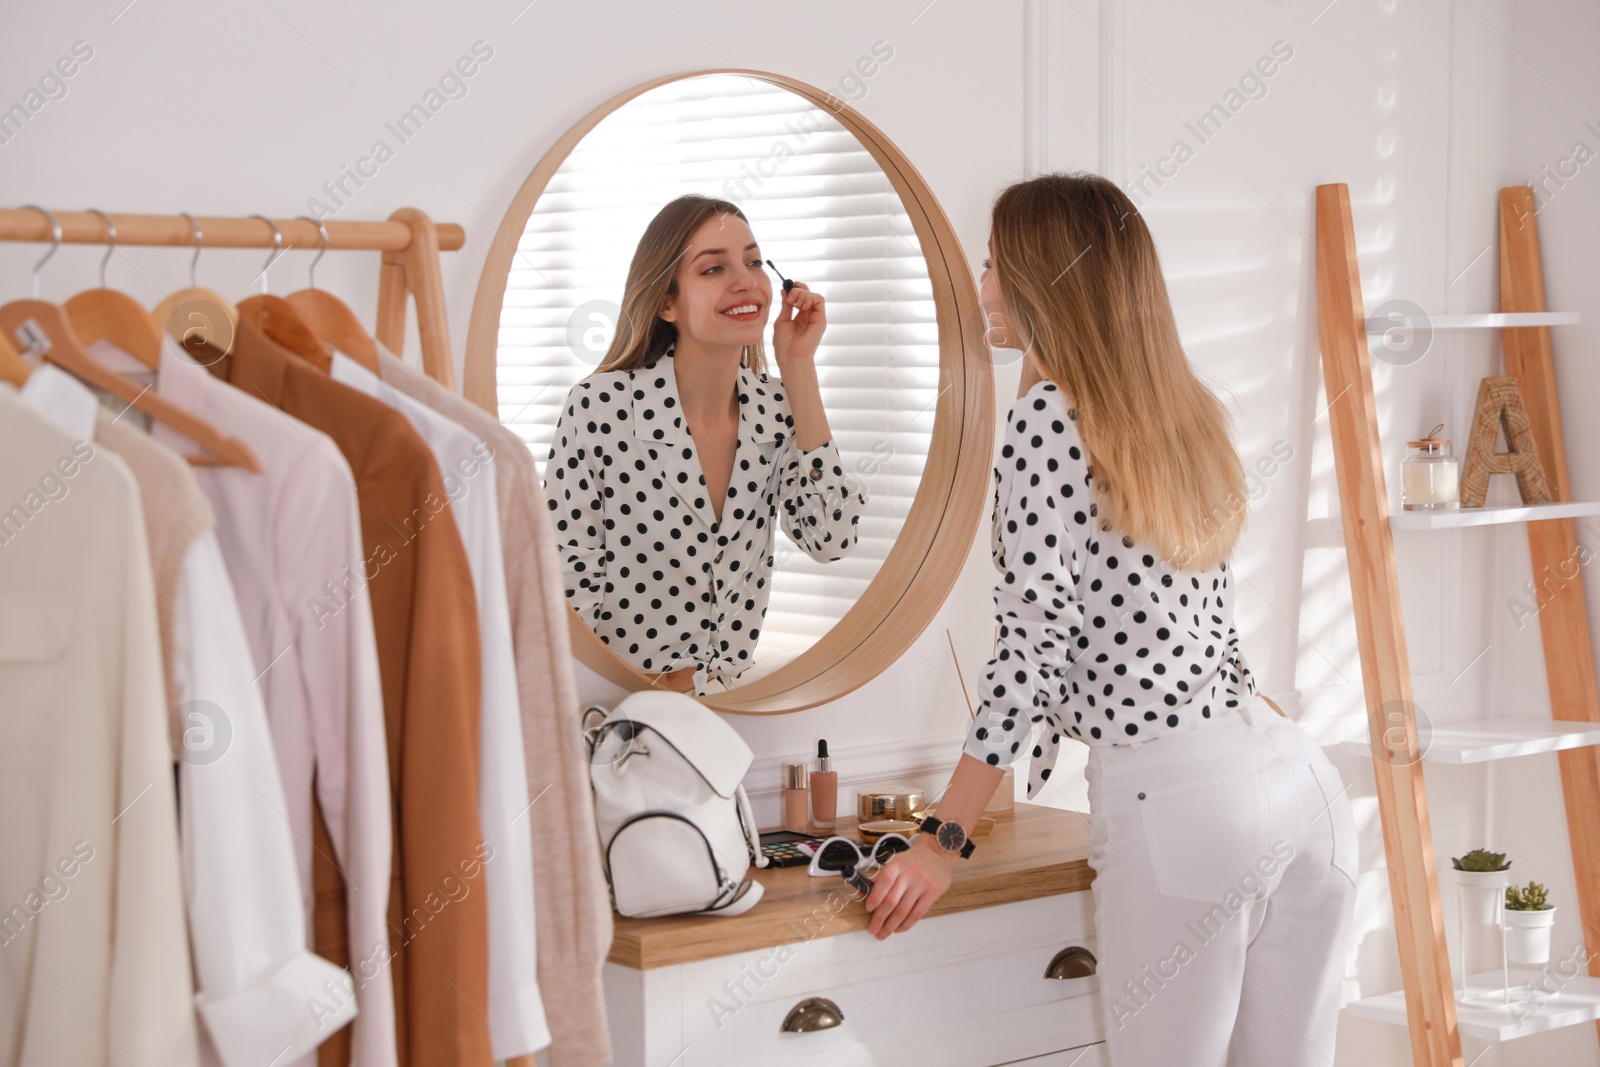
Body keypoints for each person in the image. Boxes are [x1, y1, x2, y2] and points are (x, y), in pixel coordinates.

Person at [866, 173, 1356, 1067]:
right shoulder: (1176, 413)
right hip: (1298, 779)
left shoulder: (1044, 426)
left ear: (1047, 283)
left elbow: (1031, 649)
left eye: (995, 267)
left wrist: (942, 840)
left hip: (1183, 802)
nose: (982, 291)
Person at [544, 195, 866, 694]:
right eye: (714, 268)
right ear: (666, 301)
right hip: (613, 710)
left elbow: (831, 538)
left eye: (755, 262)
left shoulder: (777, 408)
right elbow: (566, 587)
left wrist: (799, 366)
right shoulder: (601, 407)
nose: (746, 280)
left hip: (723, 716)